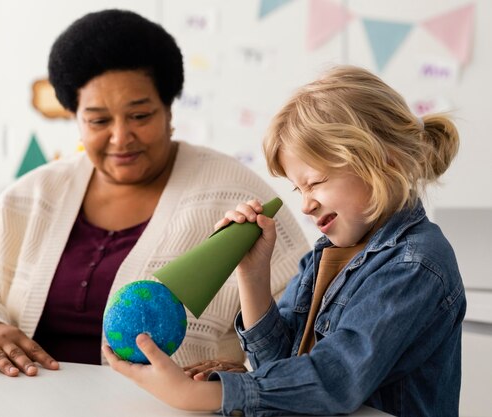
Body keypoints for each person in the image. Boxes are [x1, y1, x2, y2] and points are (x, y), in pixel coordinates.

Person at [0, 9, 309, 378]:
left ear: (169, 111)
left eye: (140, 115)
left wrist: (240, 372)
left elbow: (303, 322)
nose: (121, 137)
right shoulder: (36, 193)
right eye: (98, 120)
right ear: (76, 119)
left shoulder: (235, 195)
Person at [104, 65, 466, 417]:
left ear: (383, 161)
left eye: (316, 182)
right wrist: (252, 274)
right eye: (298, 188)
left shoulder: (415, 266)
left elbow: (337, 380)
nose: (305, 204)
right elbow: (280, 364)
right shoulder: (324, 257)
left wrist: (200, 395)